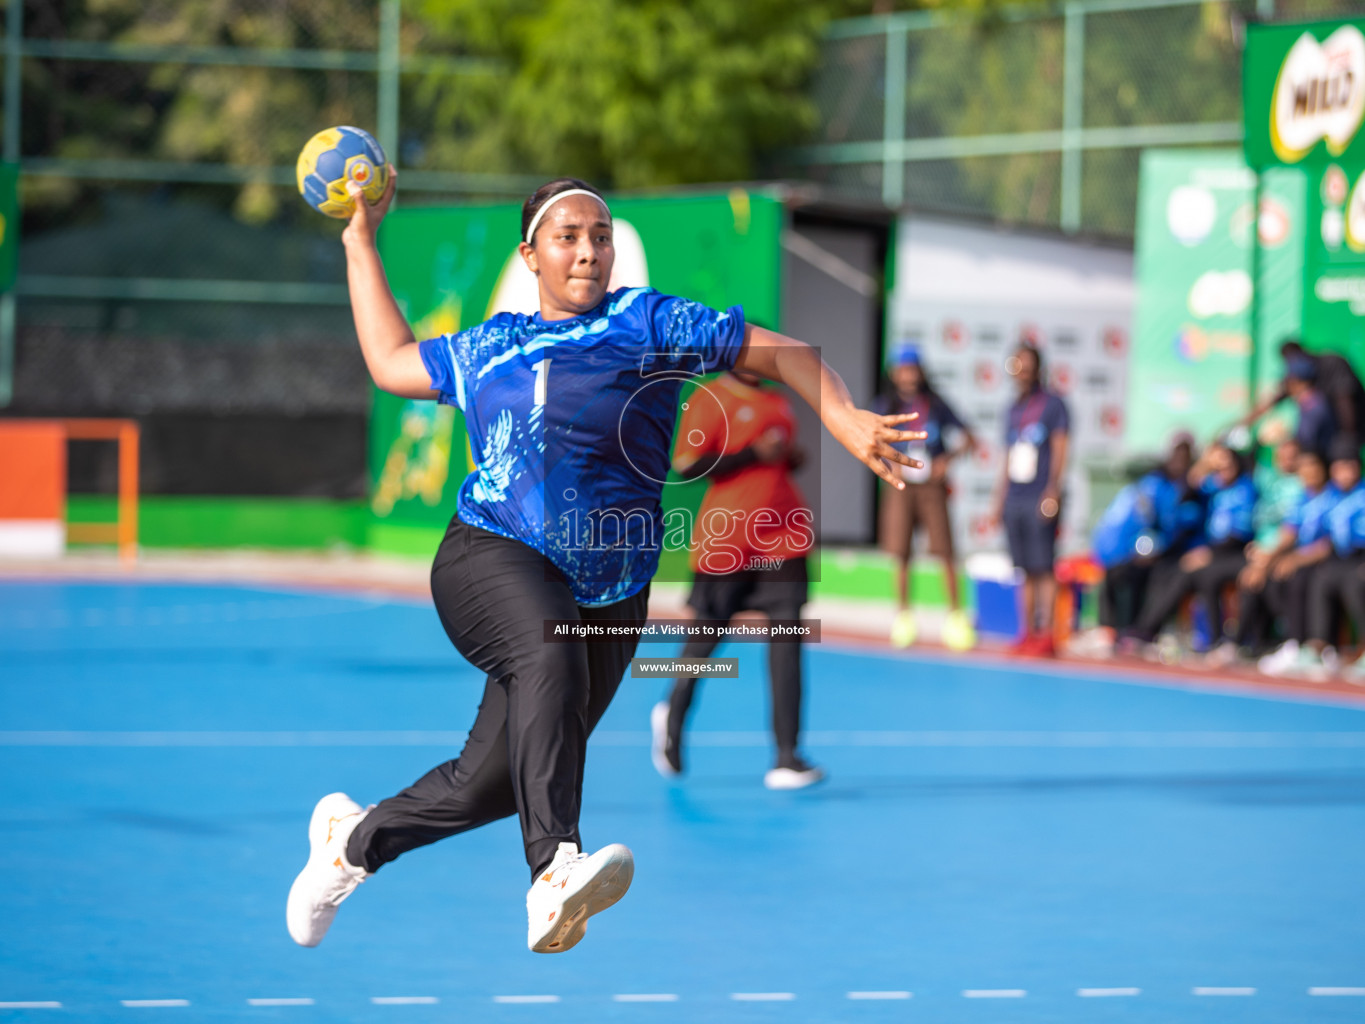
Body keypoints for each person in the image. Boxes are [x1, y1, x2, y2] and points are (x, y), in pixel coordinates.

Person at [284, 173, 925, 954]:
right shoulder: (492, 347)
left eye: (600, 236)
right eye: (568, 237)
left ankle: (350, 845)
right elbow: (389, 361)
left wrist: (843, 415)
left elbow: (784, 353)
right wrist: (360, 241)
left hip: (612, 589)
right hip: (492, 554)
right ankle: (553, 870)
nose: (588, 250)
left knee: (489, 783)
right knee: (546, 654)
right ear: (531, 256)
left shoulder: (647, 322)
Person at [651, 368, 822, 789]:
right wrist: (751, 453)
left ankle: (787, 756)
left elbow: (774, 460)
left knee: (787, 639)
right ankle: (673, 713)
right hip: (726, 539)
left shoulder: (779, 403)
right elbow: (686, 466)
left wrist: (787, 458)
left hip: (782, 536)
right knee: (705, 639)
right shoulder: (711, 399)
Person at [874, 343, 978, 650]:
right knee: (901, 552)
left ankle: (955, 617)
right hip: (901, 485)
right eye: (902, 368)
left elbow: (969, 437)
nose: (907, 375)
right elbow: (872, 442)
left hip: (932, 486)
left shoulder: (935, 403)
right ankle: (903, 616)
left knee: (945, 550)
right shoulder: (884, 404)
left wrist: (947, 460)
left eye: (912, 368)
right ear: (893, 372)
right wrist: (891, 463)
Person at [1120, 437, 1257, 656]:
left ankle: (1211, 640)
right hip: (1210, 553)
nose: (1223, 470)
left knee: (1196, 574)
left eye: (1227, 465)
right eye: (1218, 467)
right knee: (1163, 570)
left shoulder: (1244, 489)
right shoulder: (1215, 487)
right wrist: (1206, 464)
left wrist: (1208, 553)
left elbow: (1238, 535)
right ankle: (1147, 629)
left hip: (1231, 553)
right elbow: (1187, 488)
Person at [1083, 434, 1196, 655]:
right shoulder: (1155, 486)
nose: (1178, 464)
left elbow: (1167, 528)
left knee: (1145, 574)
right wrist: (1146, 550)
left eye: (1184, 460)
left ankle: (1129, 632)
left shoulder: (1170, 487)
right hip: (1124, 554)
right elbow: (1151, 526)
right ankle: (1116, 631)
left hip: (1140, 555)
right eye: (1176, 458)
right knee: (1126, 573)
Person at [992, 342, 1070, 657]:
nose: (1022, 371)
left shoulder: (1053, 405)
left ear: (1038, 368)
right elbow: (1007, 457)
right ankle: (1026, 632)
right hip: (1016, 497)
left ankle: (1046, 634)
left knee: (1043, 566)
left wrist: (1053, 489)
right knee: (1022, 568)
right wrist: (998, 501)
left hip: (1040, 495)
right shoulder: (1012, 409)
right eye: (1017, 365)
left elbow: (1061, 447)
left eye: (1027, 365)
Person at [1245, 447, 1340, 672]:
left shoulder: (1332, 497)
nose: (1309, 473)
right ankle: (1285, 641)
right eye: (1303, 469)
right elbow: (1289, 533)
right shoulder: (1301, 499)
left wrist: (1296, 559)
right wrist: (1267, 557)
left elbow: (1330, 543)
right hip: (1303, 557)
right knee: (1272, 576)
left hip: (1329, 560)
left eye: (1313, 468)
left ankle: (1308, 646)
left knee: (1298, 578)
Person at [1292, 442, 1365, 681]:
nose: (1344, 473)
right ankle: (1318, 647)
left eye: (1349, 467)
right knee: (1320, 578)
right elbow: (1321, 535)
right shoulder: (1331, 496)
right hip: (1340, 558)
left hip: (1360, 559)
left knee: (1356, 583)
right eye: (1339, 467)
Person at [1241, 339, 1365, 449]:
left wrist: (1348, 440)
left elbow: (1346, 403)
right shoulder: (1299, 380)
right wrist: (1241, 424)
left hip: (1353, 431)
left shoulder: (1331, 365)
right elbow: (1270, 401)